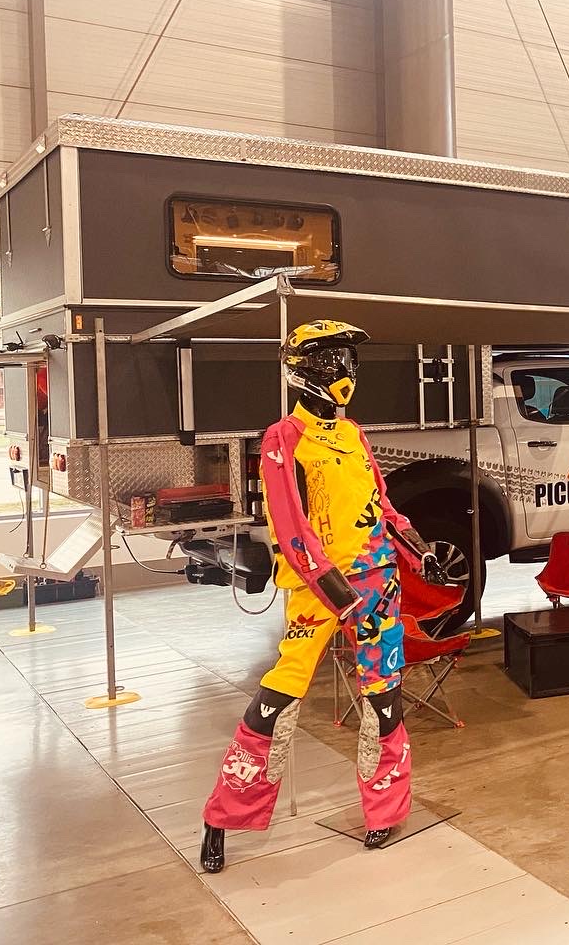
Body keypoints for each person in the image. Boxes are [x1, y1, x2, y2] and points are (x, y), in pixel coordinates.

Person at [199, 320, 444, 873]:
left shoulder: (354, 434)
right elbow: (290, 525)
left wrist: (418, 550)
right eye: (335, 361)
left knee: (383, 696)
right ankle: (224, 815)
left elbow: (381, 504)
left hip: (378, 581)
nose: (346, 372)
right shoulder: (283, 438)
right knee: (279, 696)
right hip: (320, 591)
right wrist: (333, 587)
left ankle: (385, 811)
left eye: (350, 361)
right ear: (303, 369)